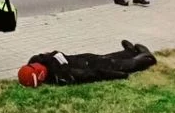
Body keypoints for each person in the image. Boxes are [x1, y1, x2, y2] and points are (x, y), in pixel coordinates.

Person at [18, 40, 157, 87]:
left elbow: (54, 53)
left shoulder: (40, 60)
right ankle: (146, 59)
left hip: (83, 59)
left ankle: (130, 51)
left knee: (106, 58)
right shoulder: (62, 75)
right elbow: (92, 75)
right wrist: (119, 76)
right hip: (87, 65)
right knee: (117, 64)